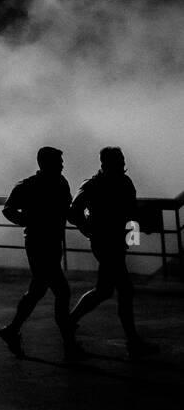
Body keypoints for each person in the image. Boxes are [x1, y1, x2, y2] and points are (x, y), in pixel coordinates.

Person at [67, 147, 158, 357]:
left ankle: (70, 321)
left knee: (104, 290)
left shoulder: (96, 184)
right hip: (107, 242)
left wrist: (88, 228)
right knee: (124, 290)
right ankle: (132, 340)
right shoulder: (110, 184)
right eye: (119, 159)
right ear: (108, 162)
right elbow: (74, 213)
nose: (122, 163)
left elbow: (75, 213)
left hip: (109, 241)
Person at [0, 147, 81, 359]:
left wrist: (27, 220)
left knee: (38, 289)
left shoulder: (42, 184)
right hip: (40, 242)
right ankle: (69, 342)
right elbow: (9, 209)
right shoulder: (40, 184)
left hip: (45, 242)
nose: (62, 165)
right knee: (61, 291)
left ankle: (12, 329)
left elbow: (9, 209)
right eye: (59, 161)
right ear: (47, 163)